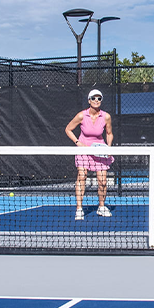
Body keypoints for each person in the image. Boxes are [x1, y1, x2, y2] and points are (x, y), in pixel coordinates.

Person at [65, 89, 114, 220]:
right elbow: (68, 129)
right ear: (89, 100)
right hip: (83, 149)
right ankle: (79, 209)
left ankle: (101, 207)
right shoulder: (81, 116)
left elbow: (109, 133)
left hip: (99, 150)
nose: (96, 100)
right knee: (82, 176)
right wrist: (77, 142)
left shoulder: (106, 116)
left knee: (103, 181)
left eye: (99, 98)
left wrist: (108, 148)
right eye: (94, 98)